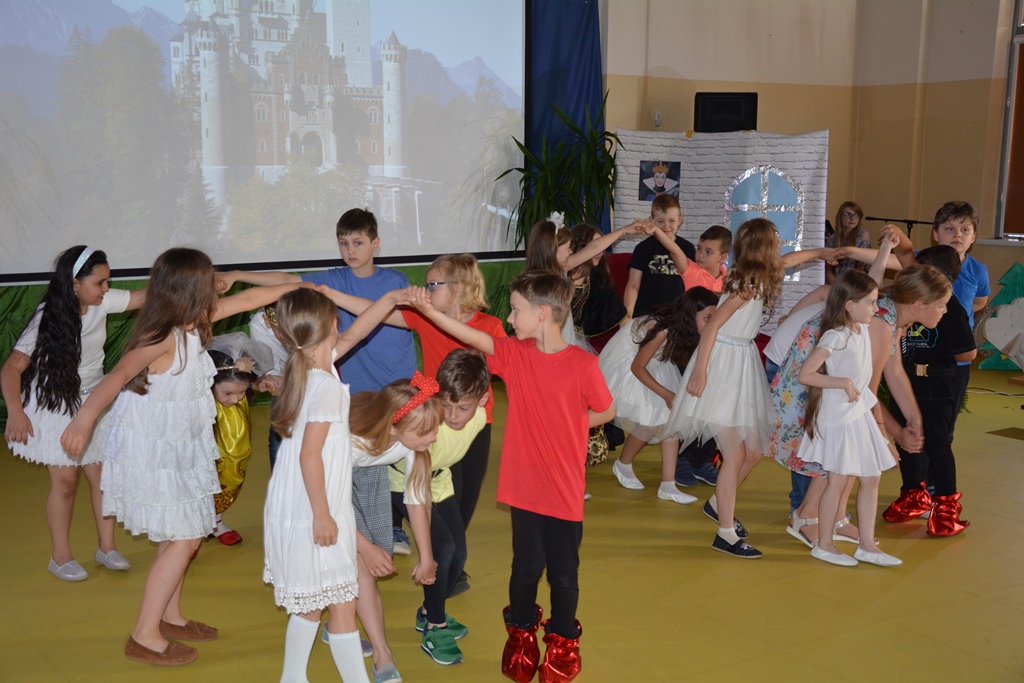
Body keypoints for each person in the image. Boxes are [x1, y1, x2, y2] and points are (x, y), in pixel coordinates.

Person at [60, 247, 301, 667]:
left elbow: (274, 289)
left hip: (182, 444)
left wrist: (244, 275)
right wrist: (83, 421)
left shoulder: (197, 323)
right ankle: (143, 635)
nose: (216, 287)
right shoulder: (163, 336)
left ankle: (169, 616)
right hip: (154, 450)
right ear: (190, 290)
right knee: (186, 537)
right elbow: (117, 375)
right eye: (209, 281)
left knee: (180, 534)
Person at [406, 271, 614, 683]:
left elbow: (605, 410)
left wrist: (569, 426)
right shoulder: (515, 354)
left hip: (564, 489)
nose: (509, 317)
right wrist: (427, 310)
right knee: (526, 567)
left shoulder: (583, 364)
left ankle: (562, 643)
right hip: (524, 487)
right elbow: (469, 335)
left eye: (516, 310)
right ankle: (521, 638)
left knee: (564, 573)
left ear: (542, 314)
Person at [314, 253, 505, 590]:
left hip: (475, 423)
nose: (425, 290)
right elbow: (375, 310)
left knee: (465, 499)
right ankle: (437, 552)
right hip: (434, 420)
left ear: (459, 287)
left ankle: (449, 559)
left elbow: (503, 367)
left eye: (434, 285)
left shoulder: (489, 327)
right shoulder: (425, 319)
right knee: (433, 490)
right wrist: (333, 295)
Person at [263, 286, 413, 683]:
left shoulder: (307, 365)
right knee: (336, 600)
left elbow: (358, 331)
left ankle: (294, 677)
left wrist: (391, 299)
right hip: (318, 503)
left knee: (323, 603)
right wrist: (323, 515)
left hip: (306, 499)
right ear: (332, 323)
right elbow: (309, 455)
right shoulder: (325, 385)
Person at [663, 218, 836, 559]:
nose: (779, 245)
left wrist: (822, 252)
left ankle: (717, 504)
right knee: (737, 454)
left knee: (754, 450)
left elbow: (790, 260)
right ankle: (725, 533)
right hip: (723, 364)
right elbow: (713, 326)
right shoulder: (746, 282)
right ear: (763, 246)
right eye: (775, 240)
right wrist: (700, 371)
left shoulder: (760, 274)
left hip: (741, 360)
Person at [771, 264, 949, 549]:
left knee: (849, 452)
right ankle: (805, 515)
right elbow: (867, 390)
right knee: (838, 455)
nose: (945, 311)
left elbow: (895, 371)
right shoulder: (879, 324)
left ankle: (837, 517)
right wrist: (888, 433)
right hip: (816, 388)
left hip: (838, 392)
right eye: (941, 305)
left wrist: (913, 419)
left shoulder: (892, 320)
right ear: (918, 306)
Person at [2, 246, 144, 581]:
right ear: (74, 283)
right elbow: (11, 368)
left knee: (103, 477)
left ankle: (106, 547)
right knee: (66, 482)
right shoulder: (47, 315)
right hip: (56, 401)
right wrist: (15, 412)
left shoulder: (102, 301)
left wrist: (187, 281)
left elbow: (146, 297)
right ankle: (60, 557)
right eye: (100, 282)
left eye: (107, 281)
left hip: (93, 400)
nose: (106, 288)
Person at [217, 208, 416, 394]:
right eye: (344, 243)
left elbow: (409, 321)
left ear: (375, 244)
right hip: (356, 388)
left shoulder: (396, 281)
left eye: (358, 243)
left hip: (398, 383)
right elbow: (286, 279)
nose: (350, 251)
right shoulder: (333, 279)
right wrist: (237, 274)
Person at [388, 350, 489, 666]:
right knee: (442, 549)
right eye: (446, 404)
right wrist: (427, 554)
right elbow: (415, 484)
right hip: (404, 482)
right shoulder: (428, 425)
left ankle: (429, 611)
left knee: (458, 555)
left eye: (463, 407)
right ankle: (435, 625)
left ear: (483, 400)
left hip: (437, 480)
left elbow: (448, 461)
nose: (453, 415)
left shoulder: (480, 420)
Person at [796, 271, 902, 567]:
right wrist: (841, 382)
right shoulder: (836, 335)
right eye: (870, 302)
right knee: (838, 480)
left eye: (876, 301)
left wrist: (885, 251)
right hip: (838, 417)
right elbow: (806, 374)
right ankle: (824, 544)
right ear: (849, 305)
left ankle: (867, 545)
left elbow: (871, 278)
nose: (876, 308)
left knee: (871, 476)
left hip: (858, 412)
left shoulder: (861, 329)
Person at [343, 374, 445, 682]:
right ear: (393, 426)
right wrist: (365, 547)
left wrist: (427, 557)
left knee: (369, 562)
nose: (434, 437)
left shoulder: (410, 441)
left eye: (435, 428)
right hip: (323, 486)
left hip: (369, 472)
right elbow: (331, 505)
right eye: (426, 431)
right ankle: (382, 655)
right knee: (360, 562)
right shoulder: (349, 440)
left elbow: (416, 500)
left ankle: (338, 622)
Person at [883, 246, 975, 536]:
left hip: (937, 384)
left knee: (937, 443)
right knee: (907, 438)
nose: (944, 309)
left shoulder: (949, 308)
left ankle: (946, 505)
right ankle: (913, 492)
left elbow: (967, 352)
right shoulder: (890, 320)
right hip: (907, 380)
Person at [599, 287, 719, 503]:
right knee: (651, 421)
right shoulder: (662, 330)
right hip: (631, 361)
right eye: (707, 318)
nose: (711, 323)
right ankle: (623, 464)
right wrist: (666, 394)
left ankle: (668, 484)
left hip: (655, 361)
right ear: (691, 314)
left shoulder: (690, 330)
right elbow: (637, 367)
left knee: (670, 421)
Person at [525, 217, 642, 345]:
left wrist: (624, 230)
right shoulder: (538, 281)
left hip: (566, 336)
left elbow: (594, 248)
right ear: (553, 250)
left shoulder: (564, 267)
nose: (571, 251)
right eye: (568, 247)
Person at [206, 332, 274, 545]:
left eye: (241, 392)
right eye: (227, 393)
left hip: (236, 451)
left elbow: (241, 383)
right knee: (207, 482)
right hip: (212, 452)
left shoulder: (237, 396)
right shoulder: (204, 405)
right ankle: (192, 531)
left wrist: (258, 385)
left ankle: (215, 521)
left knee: (231, 480)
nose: (235, 399)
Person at [622, 193, 697, 321]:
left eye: (671, 220)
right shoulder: (643, 248)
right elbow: (633, 285)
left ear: (680, 220)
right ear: (651, 220)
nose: (666, 226)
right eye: (661, 221)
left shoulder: (688, 248)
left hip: (678, 316)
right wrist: (627, 316)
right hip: (646, 315)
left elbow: (694, 285)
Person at [249, 305, 289, 469]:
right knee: (277, 438)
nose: (288, 339)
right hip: (287, 377)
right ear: (267, 320)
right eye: (282, 333)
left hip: (315, 374)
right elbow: (272, 367)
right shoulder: (259, 325)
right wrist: (275, 382)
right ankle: (279, 482)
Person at [647, 222, 732, 294]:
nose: (700, 255)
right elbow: (674, 250)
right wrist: (656, 230)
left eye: (708, 252)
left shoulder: (729, 280)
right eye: (699, 249)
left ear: (723, 257)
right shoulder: (691, 270)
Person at [825, 201, 872, 284]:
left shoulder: (863, 234)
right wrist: (835, 287)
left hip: (856, 281)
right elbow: (828, 270)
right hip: (836, 282)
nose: (852, 218)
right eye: (847, 214)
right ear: (840, 217)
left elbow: (861, 266)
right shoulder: (833, 238)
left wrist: (848, 288)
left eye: (856, 215)